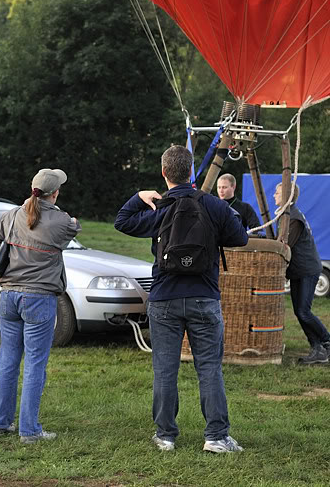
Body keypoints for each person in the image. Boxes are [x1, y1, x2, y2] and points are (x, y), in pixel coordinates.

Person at [114, 146, 247, 454]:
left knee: (164, 369)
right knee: (209, 368)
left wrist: (139, 197)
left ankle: (165, 435)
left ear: (164, 173)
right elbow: (240, 237)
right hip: (204, 296)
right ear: (192, 173)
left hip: (163, 299)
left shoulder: (157, 207)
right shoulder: (213, 205)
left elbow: (122, 221)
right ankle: (216, 436)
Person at [0, 168, 81, 444]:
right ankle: (30, 430)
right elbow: (72, 228)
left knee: (8, 361)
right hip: (39, 298)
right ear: (56, 192)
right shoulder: (61, 221)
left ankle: (0, 424)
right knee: (35, 363)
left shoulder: (12, 215)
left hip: (9, 296)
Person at [273, 182, 330, 364]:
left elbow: (285, 246)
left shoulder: (293, 218)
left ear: (286, 195)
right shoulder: (287, 215)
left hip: (306, 269)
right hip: (299, 270)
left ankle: (328, 341)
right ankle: (317, 349)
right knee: (300, 311)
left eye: (277, 192)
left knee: (303, 311)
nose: (274, 195)